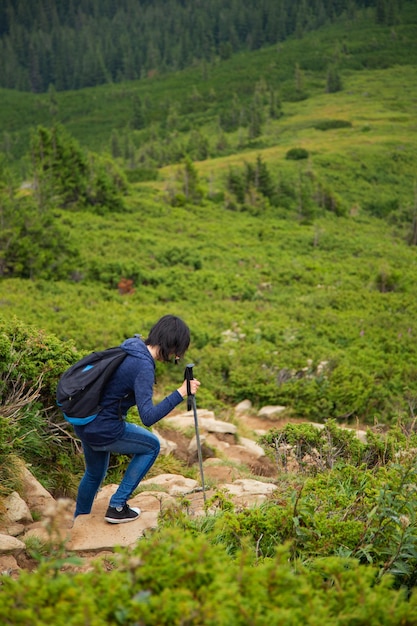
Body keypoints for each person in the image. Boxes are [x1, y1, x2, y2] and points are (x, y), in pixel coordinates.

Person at [73, 314, 200, 524]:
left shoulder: (132, 346)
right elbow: (148, 417)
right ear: (173, 345)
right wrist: (181, 392)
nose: (177, 357)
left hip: (85, 420)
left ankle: (79, 519)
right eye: (178, 351)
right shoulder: (143, 365)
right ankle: (117, 506)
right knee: (151, 446)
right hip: (103, 427)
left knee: (94, 473)